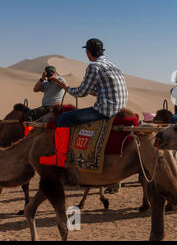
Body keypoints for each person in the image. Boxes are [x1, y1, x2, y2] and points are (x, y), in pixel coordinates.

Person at [39, 38, 128, 168]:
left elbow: (81, 92)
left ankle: (60, 158)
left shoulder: (94, 67)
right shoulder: (113, 66)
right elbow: (104, 89)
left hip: (104, 110)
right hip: (120, 108)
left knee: (63, 118)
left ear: (88, 52)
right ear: (102, 51)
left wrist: (66, 87)